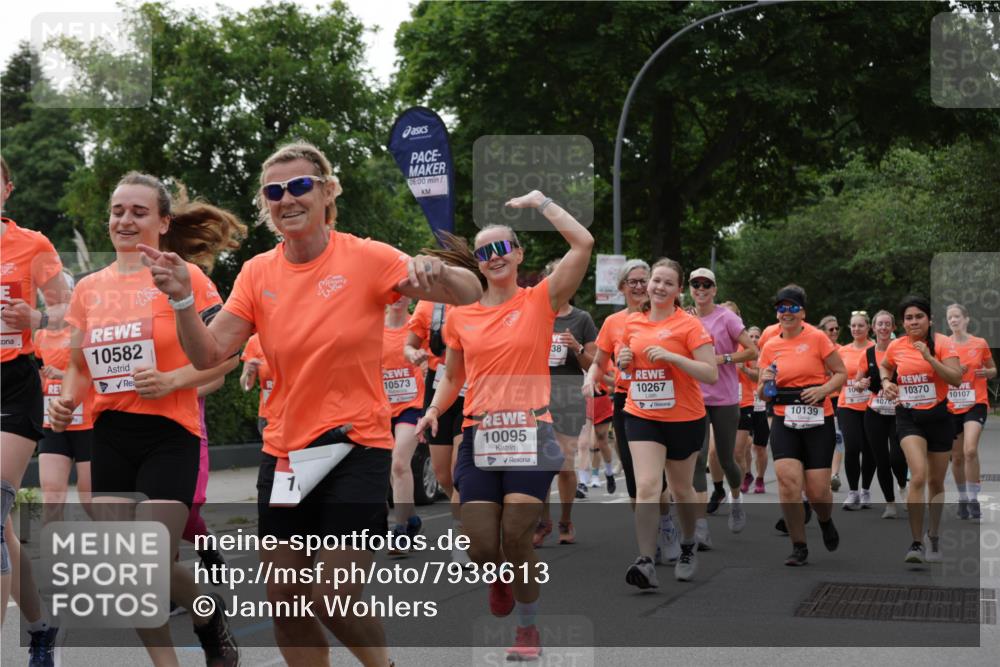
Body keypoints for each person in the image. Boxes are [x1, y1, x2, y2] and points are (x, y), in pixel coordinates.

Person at [138, 141, 481, 666]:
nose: (287, 199)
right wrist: (183, 300)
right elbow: (208, 351)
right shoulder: (256, 273)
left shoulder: (366, 257)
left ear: (326, 191)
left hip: (356, 447)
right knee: (288, 606)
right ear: (266, 204)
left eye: (300, 186)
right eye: (274, 192)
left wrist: (439, 272)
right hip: (286, 457)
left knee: (334, 597)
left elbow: (469, 292)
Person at [48, 171, 243, 666]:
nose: (125, 220)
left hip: (170, 435)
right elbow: (76, 364)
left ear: (162, 222)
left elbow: (226, 357)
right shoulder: (89, 289)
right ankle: (187, 638)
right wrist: (65, 401)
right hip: (109, 435)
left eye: (138, 212)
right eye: (118, 211)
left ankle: (206, 616)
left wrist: (173, 381)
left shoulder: (187, 278)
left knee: (152, 559)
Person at [416, 190, 593, 660]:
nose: (493, 258)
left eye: (501, 249)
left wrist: (542, 204)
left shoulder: (540, 300)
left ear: (517, 254)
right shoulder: (462, 316)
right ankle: (499, 575)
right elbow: (453, 374)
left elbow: (583, 244)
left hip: (531, 433)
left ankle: (528, 629)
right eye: (483, 252)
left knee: (516, 535)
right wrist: (435, 408)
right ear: (476, 262)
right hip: (478, 433)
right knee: (479, 545)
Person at [604, 258, 717, 588]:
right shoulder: (633, 323)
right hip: (642, 415)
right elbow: (625, 365)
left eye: (668, 283)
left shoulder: (690, 326)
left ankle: (686, 545)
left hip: (684, 417)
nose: (659, 287)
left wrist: (672, 357)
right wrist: (623, 361)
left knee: (681, 489)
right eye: (656, 280)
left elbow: (709, 373)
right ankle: (645, 560)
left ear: (678, 289)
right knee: (648, 487)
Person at [1, 155, 71, 666]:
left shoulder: (32, 245)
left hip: (12, 383)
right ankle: (40, 627)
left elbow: (70, 309)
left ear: (7, 188)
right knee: (1, 524)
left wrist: (37, 316)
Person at [758, 285, 845, 566]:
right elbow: (762, 392)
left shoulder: (818, 338)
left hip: (818, 418)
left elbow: (841, 373)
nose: (787, 312)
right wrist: (766, 381)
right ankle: (799, 545)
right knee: (787, 483)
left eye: (793, 307)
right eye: (782, 308)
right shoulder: (770, 345)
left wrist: (822, 390)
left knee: (818, 491)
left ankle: (824, 519)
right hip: (784, 418)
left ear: (803, 312)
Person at [879, 295, 962, 563]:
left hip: (939, 417)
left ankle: (933, 535)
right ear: (902, 322)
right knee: (918, 475)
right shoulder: (896, 346)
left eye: (919, 317)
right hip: (908, 417)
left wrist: (929, 358)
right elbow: (885, 365)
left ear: (929, 319)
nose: (913, 322)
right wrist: (885, 382)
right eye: (908, 318)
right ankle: (916, 543)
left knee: (936, 481)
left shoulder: (943, 343)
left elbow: (956, 379)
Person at [405, 293, 473, 565]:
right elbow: (408, 346)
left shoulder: (474, 298)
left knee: (459, 471)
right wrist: (414, 354)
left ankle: (462, 537)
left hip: (472, 387)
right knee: (443, 472)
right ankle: (471, 515)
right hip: (438, 386)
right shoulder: (427, 306)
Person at [689, 273, 757, 539]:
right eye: (696, 284)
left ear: (714, 289)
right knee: (698, 457)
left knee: (727, 459)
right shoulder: (685, 318)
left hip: (725, 398)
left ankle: (736, 500)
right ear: (690, 289)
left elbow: (752, 351)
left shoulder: (726, 317)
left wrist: (722, 358)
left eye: (706, 285)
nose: (701, 289)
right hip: (694, 397)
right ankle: (700, 523)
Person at [535, 258, 598, 546]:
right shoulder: (534, 315)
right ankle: (542, 521)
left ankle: (565, 519)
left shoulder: (581, 319)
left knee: (563, 463)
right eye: (552, 278)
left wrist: (576, 348)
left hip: (568, 394)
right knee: (539, 465)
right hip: (536, 394)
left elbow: (593, 363)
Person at [34, 272, 94, 525]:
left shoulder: (86, 330)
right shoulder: (39, 336)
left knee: (90, 499)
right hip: (53, 422)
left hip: (88, 423)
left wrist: (64, 374)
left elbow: (98, 371)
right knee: (52, 495)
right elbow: (37, 376)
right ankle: (53, 558)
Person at [854, 310, 908, 519]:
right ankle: (890, 503)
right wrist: (861, 384)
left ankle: (903, 485)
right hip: (874, 411)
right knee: (881, 458)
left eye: (888, 324)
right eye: (880, 324)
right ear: (873, 328)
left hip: (898, 411)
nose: (884, 327)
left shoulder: (902, 350)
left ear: (894, 328)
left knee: (897, 455)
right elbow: (857, 384)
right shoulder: (867, 354)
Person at [383, 295, 426, 553]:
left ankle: (399, 531)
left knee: (400, 463)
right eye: (392, 293)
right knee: (390, 467)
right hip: (379, 409)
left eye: (403, 293)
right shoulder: (373, 329)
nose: (398, 298)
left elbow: (435, 368)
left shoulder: (416, 328)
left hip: (412, 408)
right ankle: (411, 519)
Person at [946, 303, 996, 520]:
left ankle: (974, 499)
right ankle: (963, 497)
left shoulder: (980, 343)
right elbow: (936, 373)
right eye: (950, 318)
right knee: (956, 457)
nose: (954, 320)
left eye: (957, 316)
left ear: (966, 319)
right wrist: (953, 371)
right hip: (951, 405)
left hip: (976, 402)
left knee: (969, 450)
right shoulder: (943, 345)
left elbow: (993, 369)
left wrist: (987, 372)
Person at [837, 311, 876, 510]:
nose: (856, 329)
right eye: (853, 326)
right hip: (848, 405)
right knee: (852, 447)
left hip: (870, 405)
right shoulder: (843, 351)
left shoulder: (875, 349)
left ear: (868, 327)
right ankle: (853, 492)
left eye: (860, 325)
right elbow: (836, 375)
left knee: (869, 449)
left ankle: (866, 490)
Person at [736, 325, 769, 494]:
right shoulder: (741, 351)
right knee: (745, 445)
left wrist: (745, 369)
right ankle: (747, 473)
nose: (754, 339)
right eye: (752, 336)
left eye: (757, 336)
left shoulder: (763, 355)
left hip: (760, 405)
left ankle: (760, 478)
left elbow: (759, 377)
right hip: (744, 403)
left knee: (760, 447)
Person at [819, 315, 846, 491]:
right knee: (822, 438)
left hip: (838, 398)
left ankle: (834, 474)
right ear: (822, 331)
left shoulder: (842, 350)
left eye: (837, 328)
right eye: (831, 329)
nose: (835, 331)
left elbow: (844, 373)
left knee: (837, 437)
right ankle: (822, 472)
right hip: (819, 399)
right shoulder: (816, 349)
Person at [240, 333, 273, 437]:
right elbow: (246, 386)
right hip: (268, 415)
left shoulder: (295, 335)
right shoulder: (255, 341)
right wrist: (249, 372)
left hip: (295, 411)